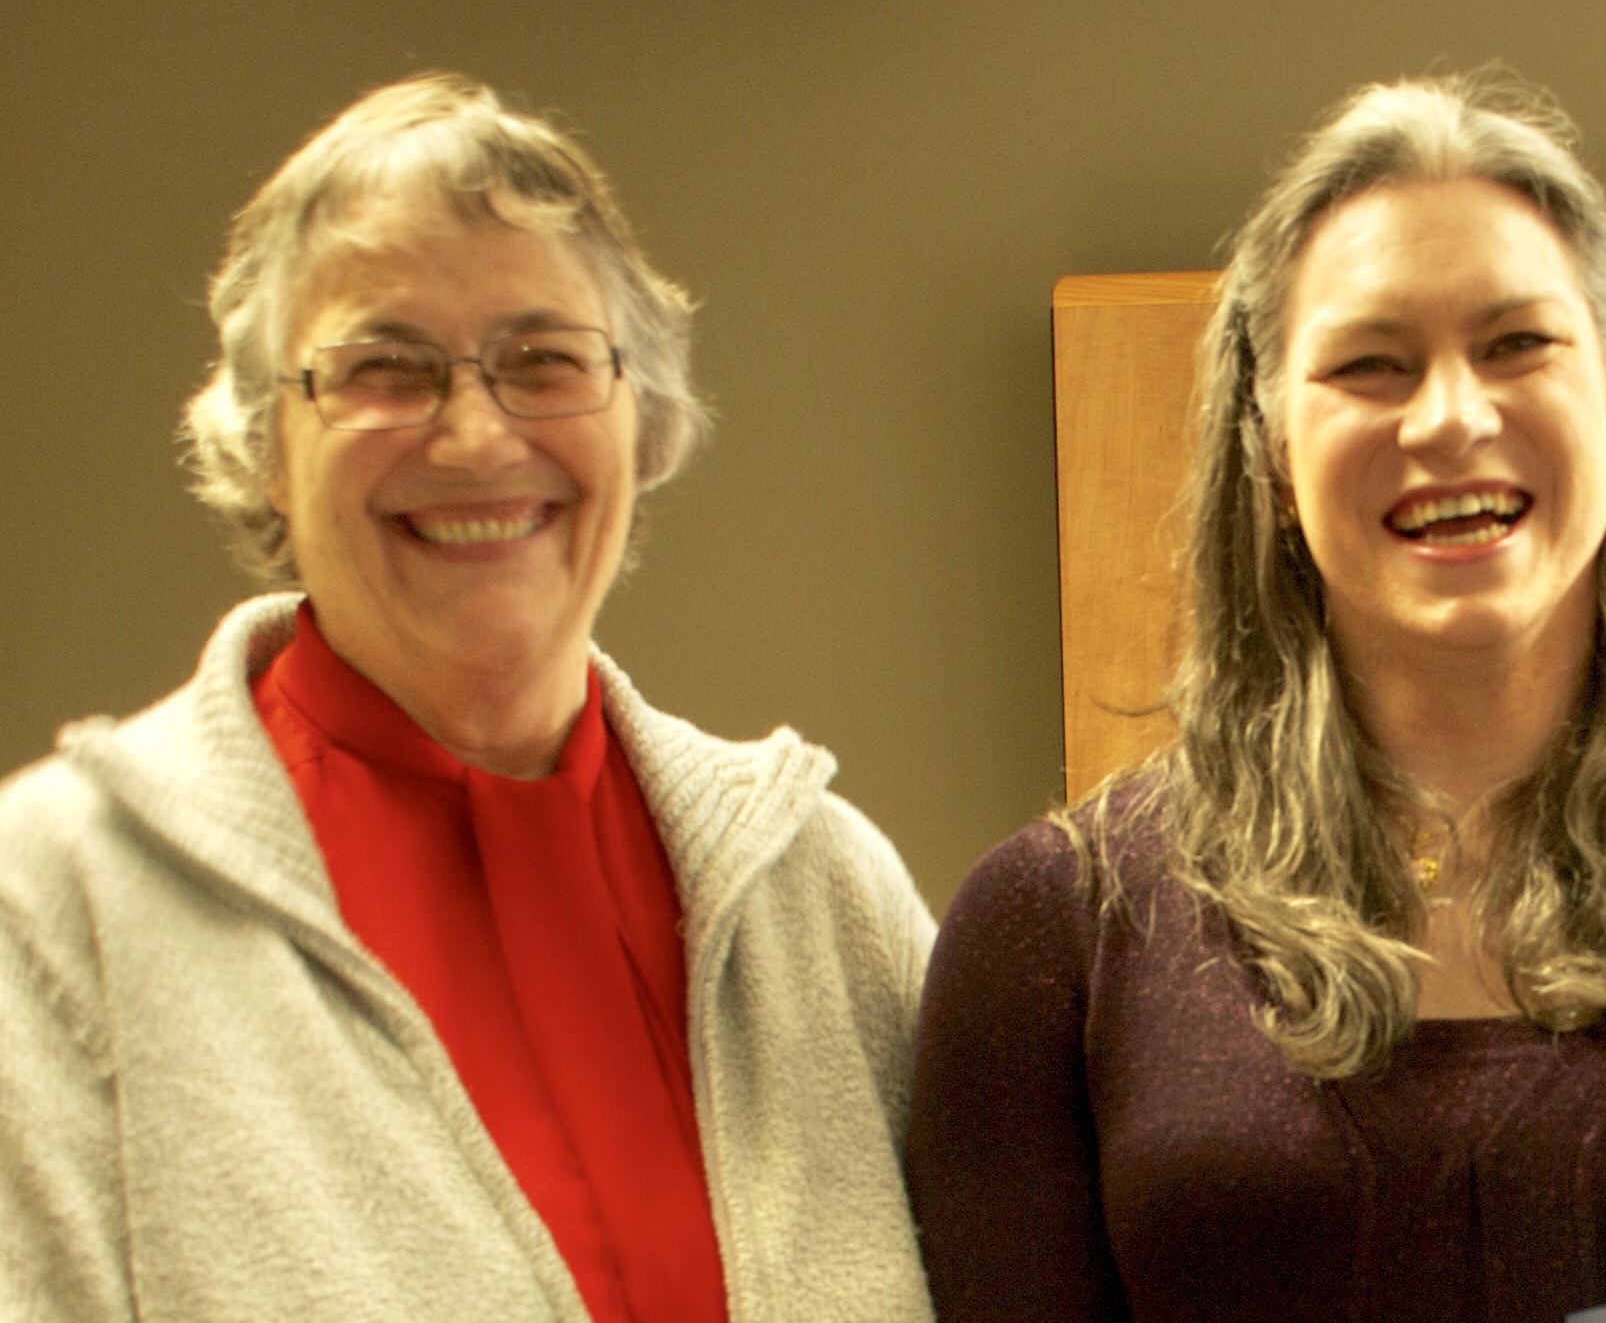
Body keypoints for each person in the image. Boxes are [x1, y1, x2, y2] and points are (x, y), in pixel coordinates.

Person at [905, 75, 1606, 1322]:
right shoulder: (1049, 935)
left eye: (1516, 344)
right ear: (1272, 455)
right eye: (1370, 365)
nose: (1450, 415)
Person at [0, 74, 935, 1323]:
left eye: (542, 359)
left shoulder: (818, 890)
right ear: (266, 445)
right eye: (384, 366)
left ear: (638, 425)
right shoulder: (56, 905)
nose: (477, 435)